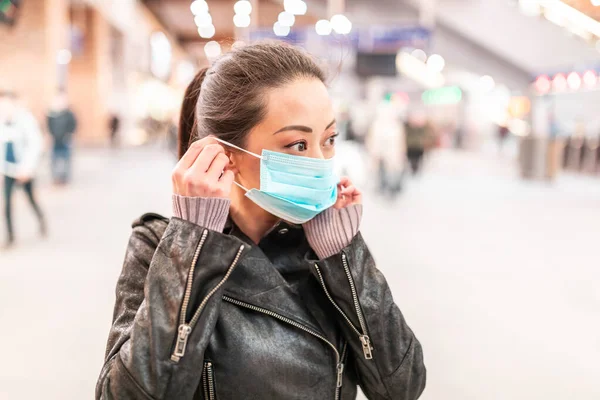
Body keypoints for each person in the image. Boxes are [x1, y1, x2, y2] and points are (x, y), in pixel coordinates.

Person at [96, 42, 426, 400]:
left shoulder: (325, 247)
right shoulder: (159, 246)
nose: (320, 162)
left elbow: (402, 387)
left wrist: (343, 257)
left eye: (329, 139)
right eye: (298, 144)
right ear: (226, 154)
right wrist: (194, 240)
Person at [0, 87, 46, 247]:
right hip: (8, 169)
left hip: (25, 170)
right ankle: (10, 237)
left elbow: (35, 144)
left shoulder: (25, 119)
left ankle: (41, 220)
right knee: (6, 203)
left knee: (31, 199)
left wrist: (27, 168)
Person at [47, 90, 77, 185]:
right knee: (54, 160)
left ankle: (64, 178)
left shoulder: (69, 113)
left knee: (66, 160)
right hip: (55, 139)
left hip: (65, 139)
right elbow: (49, 125)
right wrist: (49, 135)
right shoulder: (52, 113)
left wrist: (69, 134)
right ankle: (55, 178)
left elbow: (73, 124)